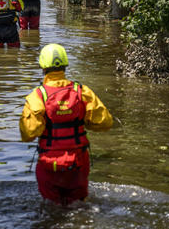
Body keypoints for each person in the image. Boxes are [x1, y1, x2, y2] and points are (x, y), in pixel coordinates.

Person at [19, 44, 113, 205]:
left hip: (49, 164)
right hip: (78, 163)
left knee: (51, 208)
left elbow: (28, 134)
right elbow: (105, 123)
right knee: (79, 206)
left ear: (42, 66)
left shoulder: (37, 96)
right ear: (65, 64)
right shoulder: (82, 91)